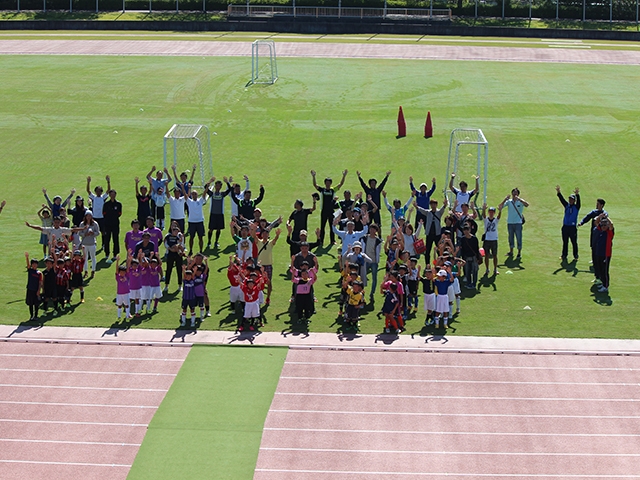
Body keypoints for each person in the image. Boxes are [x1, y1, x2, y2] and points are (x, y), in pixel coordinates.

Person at [311, 169, 347, 245]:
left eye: (329, 183)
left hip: (331, 211)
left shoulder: (333, 190)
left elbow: (340, 184)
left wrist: (344, 176)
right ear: (325, 183)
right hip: (324, 210)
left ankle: (332, 241)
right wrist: (314, 176)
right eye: (326, 183)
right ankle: (321, 241)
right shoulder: (322, 190)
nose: (328, 184)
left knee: (332, 226)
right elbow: (315, 185)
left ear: (330, 183)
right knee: (322, 226)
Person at [578, 198, 607, 281]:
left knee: (598, 253)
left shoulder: (604, 214)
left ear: (601, 205)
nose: (596, 205)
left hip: (600, 236)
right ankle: (595, 264)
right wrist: (581, 222)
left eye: (598, 204)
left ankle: (598, 273)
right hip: (594, 234)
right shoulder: (594, 212)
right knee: (593, 248)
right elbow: (587, 217)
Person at [414, 197, 448, 264]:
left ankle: (441, 263)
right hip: (429, 234)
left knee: (439, 250)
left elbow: (443, 208)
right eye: (432, 204)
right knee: (427, 251)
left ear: (436, 205)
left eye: (434, 204)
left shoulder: (439, 212)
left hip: (437, 234)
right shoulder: (428, 212)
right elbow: (422, 210)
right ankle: (427, 265)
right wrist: (416, 206)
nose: (433, 206)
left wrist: (445, 205)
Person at [183, 180, 212, 255]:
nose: (194, 195)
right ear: (191, 195)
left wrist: (207, 186)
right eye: (193, 194)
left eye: (195, 194)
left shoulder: (201, 200)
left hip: (199, 222)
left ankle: (201, 251)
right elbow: (185, 195)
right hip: (192, 222)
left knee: (200, 237)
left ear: (197, 195)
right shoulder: (189, 201)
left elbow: (205, 193)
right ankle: (191, 250)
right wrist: (186, 188)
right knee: (191, 237)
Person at [499, 188, 529, 259]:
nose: (515, 194)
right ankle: (511, 251)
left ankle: (519, 253)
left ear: (518, 194)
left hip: (518, 223)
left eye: (516, 193)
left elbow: (527, 204)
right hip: (510, 222)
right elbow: (500, 207)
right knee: (510, 237)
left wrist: (520, 199)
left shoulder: (520, 201)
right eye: (513, 192)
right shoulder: (509, 202)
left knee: (519, 238)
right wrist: (505, 199)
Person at [556, 185, 581, 261]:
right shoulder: (567, 206)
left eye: (572, 199)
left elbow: (579, 202)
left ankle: (575, 255)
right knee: (565, 242)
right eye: (569, 199)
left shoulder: (576, 207)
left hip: (572, 227)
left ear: (574, 201)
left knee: (574, 242)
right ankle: (564, 255)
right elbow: (562, 200)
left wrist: (577, 194)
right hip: (565, 227)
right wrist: (558, 192)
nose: (570, 200)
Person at [86, 175, 111, 252]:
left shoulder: (103, 197)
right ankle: (93, 243)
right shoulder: (93, 197)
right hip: (94, 218)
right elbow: (88, 190)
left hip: (102, 218)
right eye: (97, 191)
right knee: (93, 232)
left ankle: (103, 244)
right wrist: (88, 182)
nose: (98, 192)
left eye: (100, 191)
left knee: (103, 232)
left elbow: (108, 190)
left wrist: (108, 181)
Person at [206, 177, 231, 249]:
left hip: (220, 214)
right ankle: (209, 241)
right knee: (211, 229)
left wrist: (227, 182)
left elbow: (230, 189)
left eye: (219, 186)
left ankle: (216, 241)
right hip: (213, 214)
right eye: (216, 185)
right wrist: (210, 181)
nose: (217, 187)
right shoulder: (212, 194)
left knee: (219, 229)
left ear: (220, 187)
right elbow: (206, 187)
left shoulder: (222, 194)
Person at [593, 214, 614, 293]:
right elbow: (596, 222)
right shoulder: (600, 230)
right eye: (602, 224)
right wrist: (600, 216)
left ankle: (605, 286)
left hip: (606, 254)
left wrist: (607, 218)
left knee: (605, 271)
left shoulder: (609, 233)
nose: (603, 226)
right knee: (601, 270)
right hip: (599, 253)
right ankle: (602, 283)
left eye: (605, 225)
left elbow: (611, 225)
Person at [164, 221, 185, 292]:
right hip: (170, 253)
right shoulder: (168, 235)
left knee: (179, 269)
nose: (174, 228)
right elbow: (166, 244)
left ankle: (180, 285)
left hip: (178, 254)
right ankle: (166, 285)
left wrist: (178, 248)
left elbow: (182, 245)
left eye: (175, 226)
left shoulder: (180, 235)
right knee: (168, 269)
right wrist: (171, 248)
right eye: (172, 226)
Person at [481, 204, 502, 277]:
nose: (491, 213)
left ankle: (495, 269)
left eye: (492, 212)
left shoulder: (495, 220)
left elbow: (499, 217)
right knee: (486, 255)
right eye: (490, 212)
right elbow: (483, 216)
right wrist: (483, 209)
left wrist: (500, 210)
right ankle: (487, 268)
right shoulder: (486, 220)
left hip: (494, 239)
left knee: (494, 255)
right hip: (487, 239)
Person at [78, 211, 100, 278]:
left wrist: (93, 233)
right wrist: (85, 234)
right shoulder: (82, 224)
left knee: (93, 257)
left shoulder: (95, 224)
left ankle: (93, 270)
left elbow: (98, 232)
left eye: (90, 216)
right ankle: (86, 271)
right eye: (87, 216)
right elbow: (79, 233)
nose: (88, 217)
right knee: (85, 258)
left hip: (92, 243)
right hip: (84, 243)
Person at [102, 188, 122, 263]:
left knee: (115, 239)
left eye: (114, 194)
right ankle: (107, 253)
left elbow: (119, 213)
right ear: (109, 195)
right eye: (111, 194)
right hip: (107, 224)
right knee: (107, 239)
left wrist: (113, 215)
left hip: (115, 224)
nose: (112, 195)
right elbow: (104, 213)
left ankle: (115, 253)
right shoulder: (106, 204)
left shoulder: (118, 204)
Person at [25, 252, 43, 321]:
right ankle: (31, 316)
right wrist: (27, 258)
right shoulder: (30, 271)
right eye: (33, 264)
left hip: (36, 290)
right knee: (30, 303)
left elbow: (40, 282)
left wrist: (39, 290)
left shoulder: (39, 273)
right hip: (30, 289)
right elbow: (28, 265)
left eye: (36, 264)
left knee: (36, 304)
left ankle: (36, 316)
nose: (34, 265)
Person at [114, 254, 132, 319]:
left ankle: (127, 315)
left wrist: (129, 260)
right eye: (121, 272)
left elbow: (128, 268)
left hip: (126, 293)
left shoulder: (127, 276)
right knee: (119, 305)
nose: (123, 273)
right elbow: (116, 270)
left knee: (127, 305)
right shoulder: (118, 277)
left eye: (124, 272)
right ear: (119, 272)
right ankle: (119, 316)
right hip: (119, 293)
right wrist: (117, 261)